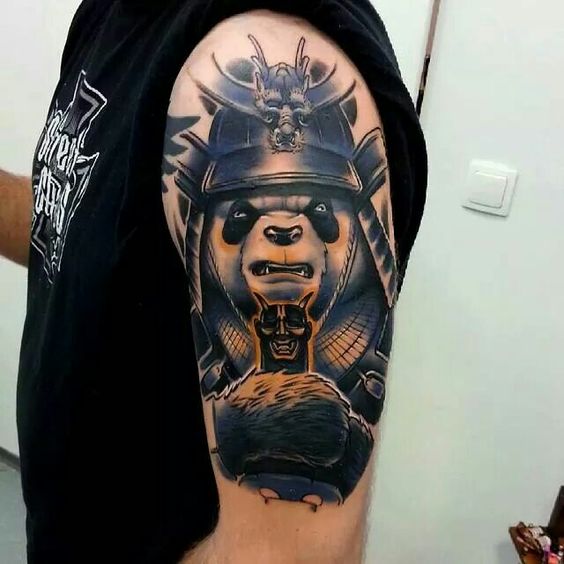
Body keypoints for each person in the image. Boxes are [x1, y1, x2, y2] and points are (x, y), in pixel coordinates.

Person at [0, 1, 427, 563]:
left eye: (316, 214)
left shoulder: (241, 45)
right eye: (244, 217)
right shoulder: (110, 14)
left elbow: (286, 557)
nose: (282, 235)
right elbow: (72, 226)